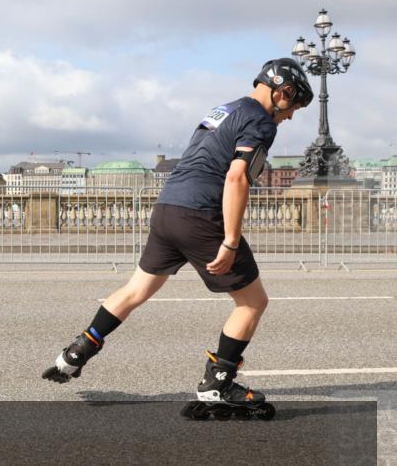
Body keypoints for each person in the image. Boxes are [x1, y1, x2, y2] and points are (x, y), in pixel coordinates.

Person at [42, 58, 313, 413]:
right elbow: (236, 178)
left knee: (135, 290)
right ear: (284, 91)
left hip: (167, 207)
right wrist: (230, 239)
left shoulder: (222, 110)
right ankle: (218, 386)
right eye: (294, 106)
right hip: (201, 213)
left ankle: (75, 353)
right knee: (252, 302)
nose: (290, 116)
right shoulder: (261, 120)